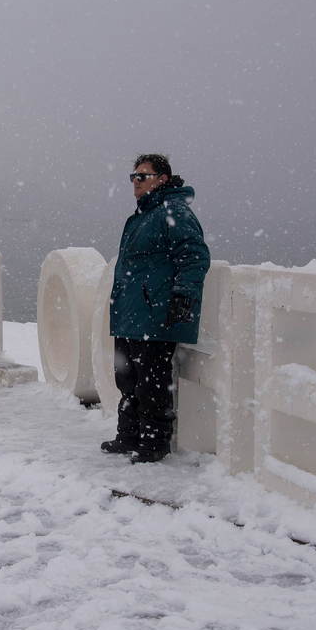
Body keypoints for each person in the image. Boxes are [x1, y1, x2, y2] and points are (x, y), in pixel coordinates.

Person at [102, 153, 210, 464]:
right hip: (130, 314)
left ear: (161, 179)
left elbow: (194, 256)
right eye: (133, 177)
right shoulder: (142, 215)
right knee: (128, 379)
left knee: (151, 383)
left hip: (155, 315)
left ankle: (154, 443)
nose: (135, 182)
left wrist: (183, 298)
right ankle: (129, 436)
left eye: (142, 176)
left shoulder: (173, 212)